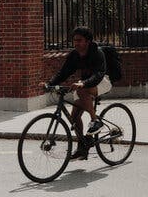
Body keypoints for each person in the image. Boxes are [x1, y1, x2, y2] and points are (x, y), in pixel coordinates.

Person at [42, 26, 106, 160]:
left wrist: (83, 83)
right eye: (74, 40)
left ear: (87, 41)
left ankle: (96, 120)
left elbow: (99, 73)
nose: (76, 43)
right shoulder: (74, 55)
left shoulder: (97, 52)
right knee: (75, 117)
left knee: (82, 90)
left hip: (103, 80)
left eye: (79, 40)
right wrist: (50, 83)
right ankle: (82, 148)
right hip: (85, 83)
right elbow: (64, 72)